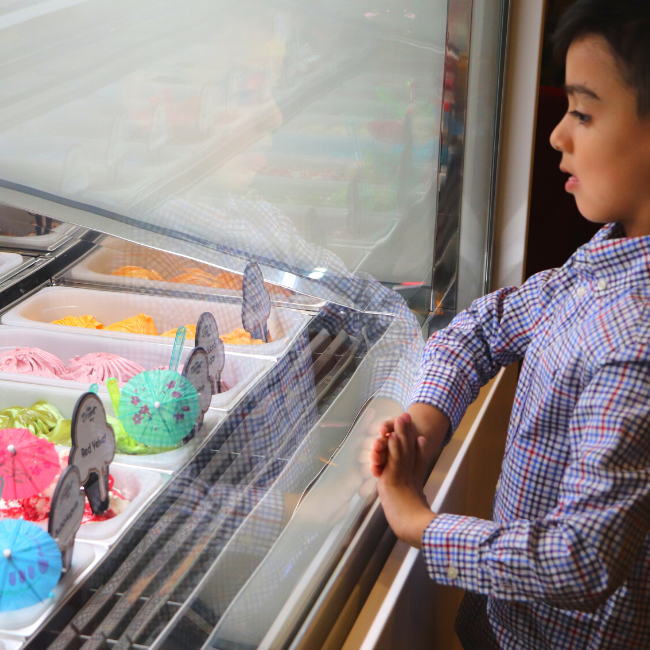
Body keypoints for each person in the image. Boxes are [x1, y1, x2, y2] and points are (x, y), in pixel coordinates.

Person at [369, 1, 650, 648]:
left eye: (582, 112)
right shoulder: (608, 257)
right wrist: (429, 417)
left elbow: (579, 557)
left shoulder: (636, 342)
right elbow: (486, 323)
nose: (557, 135)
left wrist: (418, 523)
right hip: (507, 621)